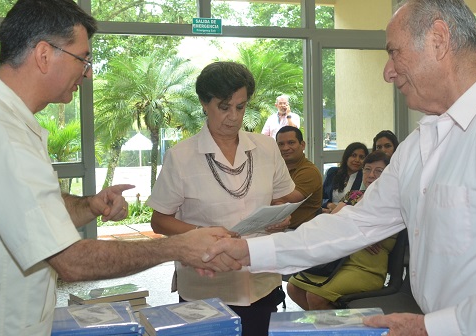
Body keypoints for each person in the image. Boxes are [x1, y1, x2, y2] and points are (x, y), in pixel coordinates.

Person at [202, 0, 476, 334]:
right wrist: (248, 253)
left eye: (394, 52)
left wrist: (430, 328)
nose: (388, 71)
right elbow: (357, 222)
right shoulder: (425, 139)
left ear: (438, 39)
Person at [0, 1, 227, 334]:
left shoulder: (0, 116)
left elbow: (30, 208)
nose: (88, 72)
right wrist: (178, 247)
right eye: (83, 59)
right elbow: (72, 262)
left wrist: (86, 206)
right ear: (44, 55)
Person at [146, 61, 296, 336]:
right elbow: (160, 220)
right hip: (207, 285)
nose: (233, 117)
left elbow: (282, 199)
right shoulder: (181, 156)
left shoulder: (265, 147)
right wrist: (203, 234)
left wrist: (282, 217)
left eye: (241, 107)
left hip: (261, 279)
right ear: (205, 103)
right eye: (224, 107)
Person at [287, 151, 397, 310]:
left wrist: (349, 226)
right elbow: (332, 224)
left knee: (316, 296)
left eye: (378, 171)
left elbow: (372, 233)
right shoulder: (354, 195)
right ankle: (329, 325)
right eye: (367, 169)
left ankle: (335, 328)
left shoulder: (392, 202)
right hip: (338, 260)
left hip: (366, 268)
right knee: (293, 288)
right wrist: (357, 234)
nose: (371, 175)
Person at [276, 125, 323, 229]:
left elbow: (287, 199)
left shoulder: (309, 171)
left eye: (291, 143)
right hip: (278, 230)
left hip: (301, 232)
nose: (285, 148)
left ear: (302, 145)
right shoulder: (276, 168)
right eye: (281, 144)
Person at [321, 142, 367, 213]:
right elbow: (320, 197)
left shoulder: (365, 178)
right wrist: (329, 204)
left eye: (361, 157)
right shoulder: (332, 172)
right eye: (353, 155)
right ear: (346, 157)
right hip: (327, 212)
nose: (357, 160)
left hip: (349, 215)